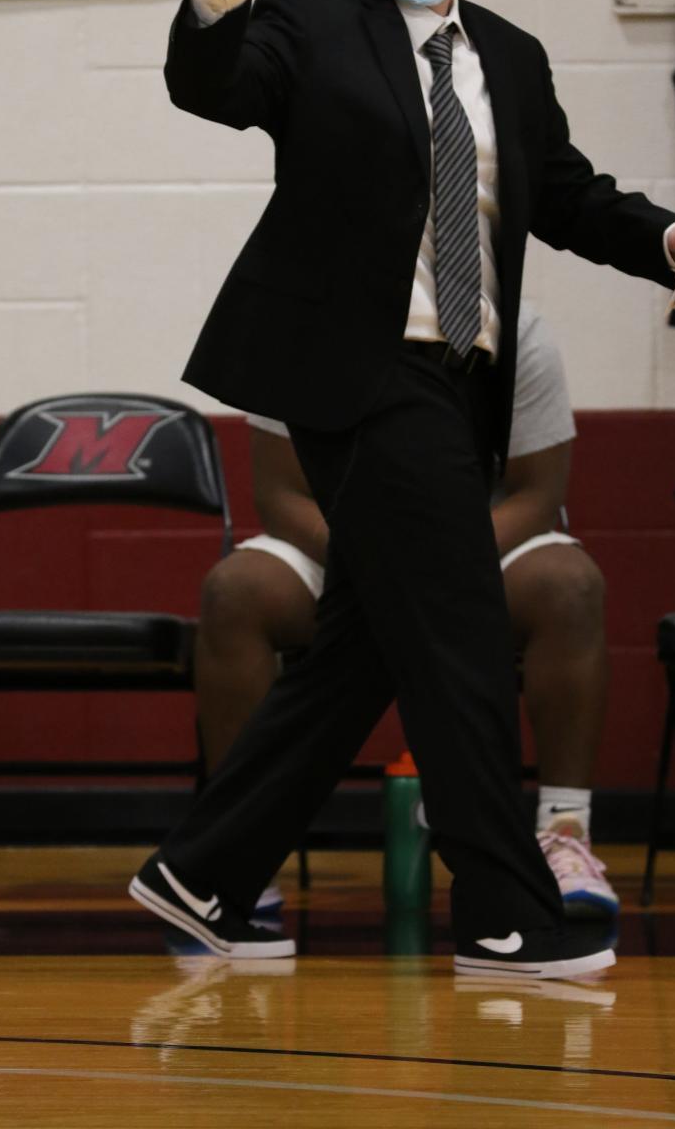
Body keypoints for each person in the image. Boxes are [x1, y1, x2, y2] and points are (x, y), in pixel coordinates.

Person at [129, 0, 675, 979]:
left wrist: (664, 239)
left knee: (364, 647)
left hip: (462, 383)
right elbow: (210, 88)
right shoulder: (307, 21)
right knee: (455, 638)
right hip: (355, 376)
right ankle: (505, 912)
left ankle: (201, 873)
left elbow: (560, 194)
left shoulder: (511, 53)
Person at [196, 304, 618, 917]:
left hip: (477, 544)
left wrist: (436, 562)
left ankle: (565, 833)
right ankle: (237, 854)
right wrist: (378, 561)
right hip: (343, 546)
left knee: (569, 585)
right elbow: (281, 493)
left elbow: (536, 493)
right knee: (235, 592)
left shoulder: (515, 328)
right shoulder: (296, 318)